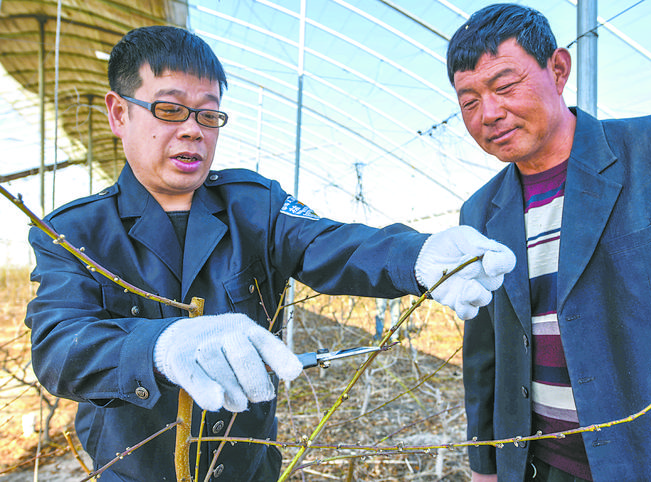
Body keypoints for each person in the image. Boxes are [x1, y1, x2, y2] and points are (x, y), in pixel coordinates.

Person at [24, 26, 516, 482]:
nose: (193, 130)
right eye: (169, 110)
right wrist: (158, 346)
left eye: (208, 115)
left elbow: (327, 243)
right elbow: (59, 347)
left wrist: (417, 256)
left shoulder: (253, 206)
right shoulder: (75, 232)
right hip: (131, 473)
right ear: (119, 113)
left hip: (248, 469)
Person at [447, 4, 651, 482]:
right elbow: (484, 352)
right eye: (469, 102)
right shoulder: (480, 212)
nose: (490, 113)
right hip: (542, 466)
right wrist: (485, 465)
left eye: (505, 86)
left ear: (558, 69)